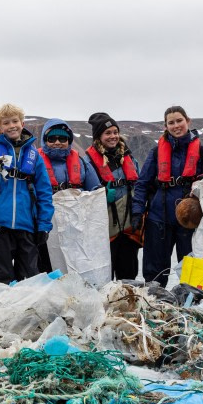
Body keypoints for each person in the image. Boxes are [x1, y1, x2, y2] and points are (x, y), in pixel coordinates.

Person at [0, 103, 54, 284]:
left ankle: (27, 312)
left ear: (22, 123)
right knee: (1, 276)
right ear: (0, 128)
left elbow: (44, 192)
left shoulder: (34, 156)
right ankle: (1, 311)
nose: (11, 126)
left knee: (30, 276)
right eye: (6, 123)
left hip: (26, 224)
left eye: (15, 121)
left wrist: (44, 225)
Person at [132, 106, 203, 287]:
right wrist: (137, 211)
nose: (176, 126)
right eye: (171, 123)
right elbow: (142, 183)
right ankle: (155, 302)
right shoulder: (156, 152)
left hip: (190, 219)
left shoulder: (202, 152)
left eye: (179, 121)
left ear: (187, 121)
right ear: (166, 126)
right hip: (159, 217)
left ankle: (191, 302)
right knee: (155, 269)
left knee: (191, 267)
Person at [35, 118, 101, 272]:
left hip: (75, 227)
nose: (57, 142)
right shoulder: (34, 161)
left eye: (62, 138)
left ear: (69, 140)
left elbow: (95, 191)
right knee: (46, 264)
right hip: (44, 225)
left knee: (74, 265)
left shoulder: (81, 162)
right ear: (45, 140)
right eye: (52, 139)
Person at [84, 112, 141, 280]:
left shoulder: (129, 157)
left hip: (129, 226)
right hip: (105, 229)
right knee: (104, 276)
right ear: (98, 136)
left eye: (115, 132)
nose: (113, 136)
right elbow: (85, 193)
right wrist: (101, 196)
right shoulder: (89, 162)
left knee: (129, 275)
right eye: (108, 133)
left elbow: (139, 184)